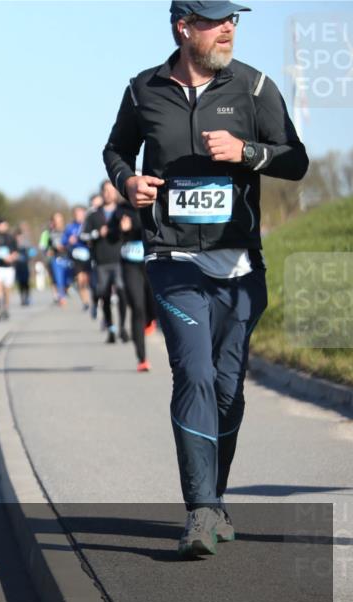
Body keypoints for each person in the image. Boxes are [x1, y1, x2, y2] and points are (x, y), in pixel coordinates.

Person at [103, 0, 308, 557]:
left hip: (239, 266)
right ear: (183, 27)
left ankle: (214, 498)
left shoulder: (255, 87)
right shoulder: (142, 89)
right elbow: (116, 149)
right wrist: (128, 181)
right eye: (217, 21)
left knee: (226, 389)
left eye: (234, 21)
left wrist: (249, 152)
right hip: (173, 261)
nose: (229, 30)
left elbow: (297, 159)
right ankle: (199, 511)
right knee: (192, 372)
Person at [84, 181, 128, 343]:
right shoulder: (94, 215)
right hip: (101, 262)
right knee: (105, 296)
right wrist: (97, 233)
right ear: (102, 193)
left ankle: (123, 327)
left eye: (111, 190)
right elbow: (84, 236)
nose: (109, 193)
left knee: (122, 294)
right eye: (106, 191)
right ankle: (111, 328)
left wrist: (126, 229)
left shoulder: (122, 211)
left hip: (120, 260)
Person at [114, 209, 152, 372]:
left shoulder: (155, 199)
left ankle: (150, 319)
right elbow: (110, 237)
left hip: (152, 260)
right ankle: (142, 358)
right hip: (130, 265)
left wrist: (134, 225)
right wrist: (120, 229)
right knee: (137, 307)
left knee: (152, 304)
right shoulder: (120, 210)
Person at [64, 206, 93, 311]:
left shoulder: (89, 225)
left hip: (89, 256)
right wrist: (68, 241)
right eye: (76, 214)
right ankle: (85, 302)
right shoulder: (70, 227)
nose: (78, 216)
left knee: (88, 280)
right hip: (76, 257)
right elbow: (64, 241)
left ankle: (93, 300)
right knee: (81, 280)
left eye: (80, 214)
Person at [0, 221, 19, 320]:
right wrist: (0, 257)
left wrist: (11, 257)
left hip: (8, 267)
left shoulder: (11, 237)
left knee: (7, 290)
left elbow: (16, 252)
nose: (2, 227)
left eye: (4, 225)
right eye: (0, 225)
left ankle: (5, 309)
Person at [40, 213, 70, 305]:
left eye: (60, 220)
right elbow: (42, 246)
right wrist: (48, 251)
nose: (58, 222)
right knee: (57, 278)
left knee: (68, 279)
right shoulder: (48, 233)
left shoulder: (67, 230)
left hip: (68, 257)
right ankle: (59, 296)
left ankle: (64, 291)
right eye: (56, 220)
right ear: (53, 221)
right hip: (55, 258)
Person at [14, 223, 33, 307]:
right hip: (17, 267)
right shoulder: (14, 246)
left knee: (26, 282)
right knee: (20, 283)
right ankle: (22, 298)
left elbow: (31, 254)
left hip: (25, 266)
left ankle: (27, 296)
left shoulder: (26, 245)